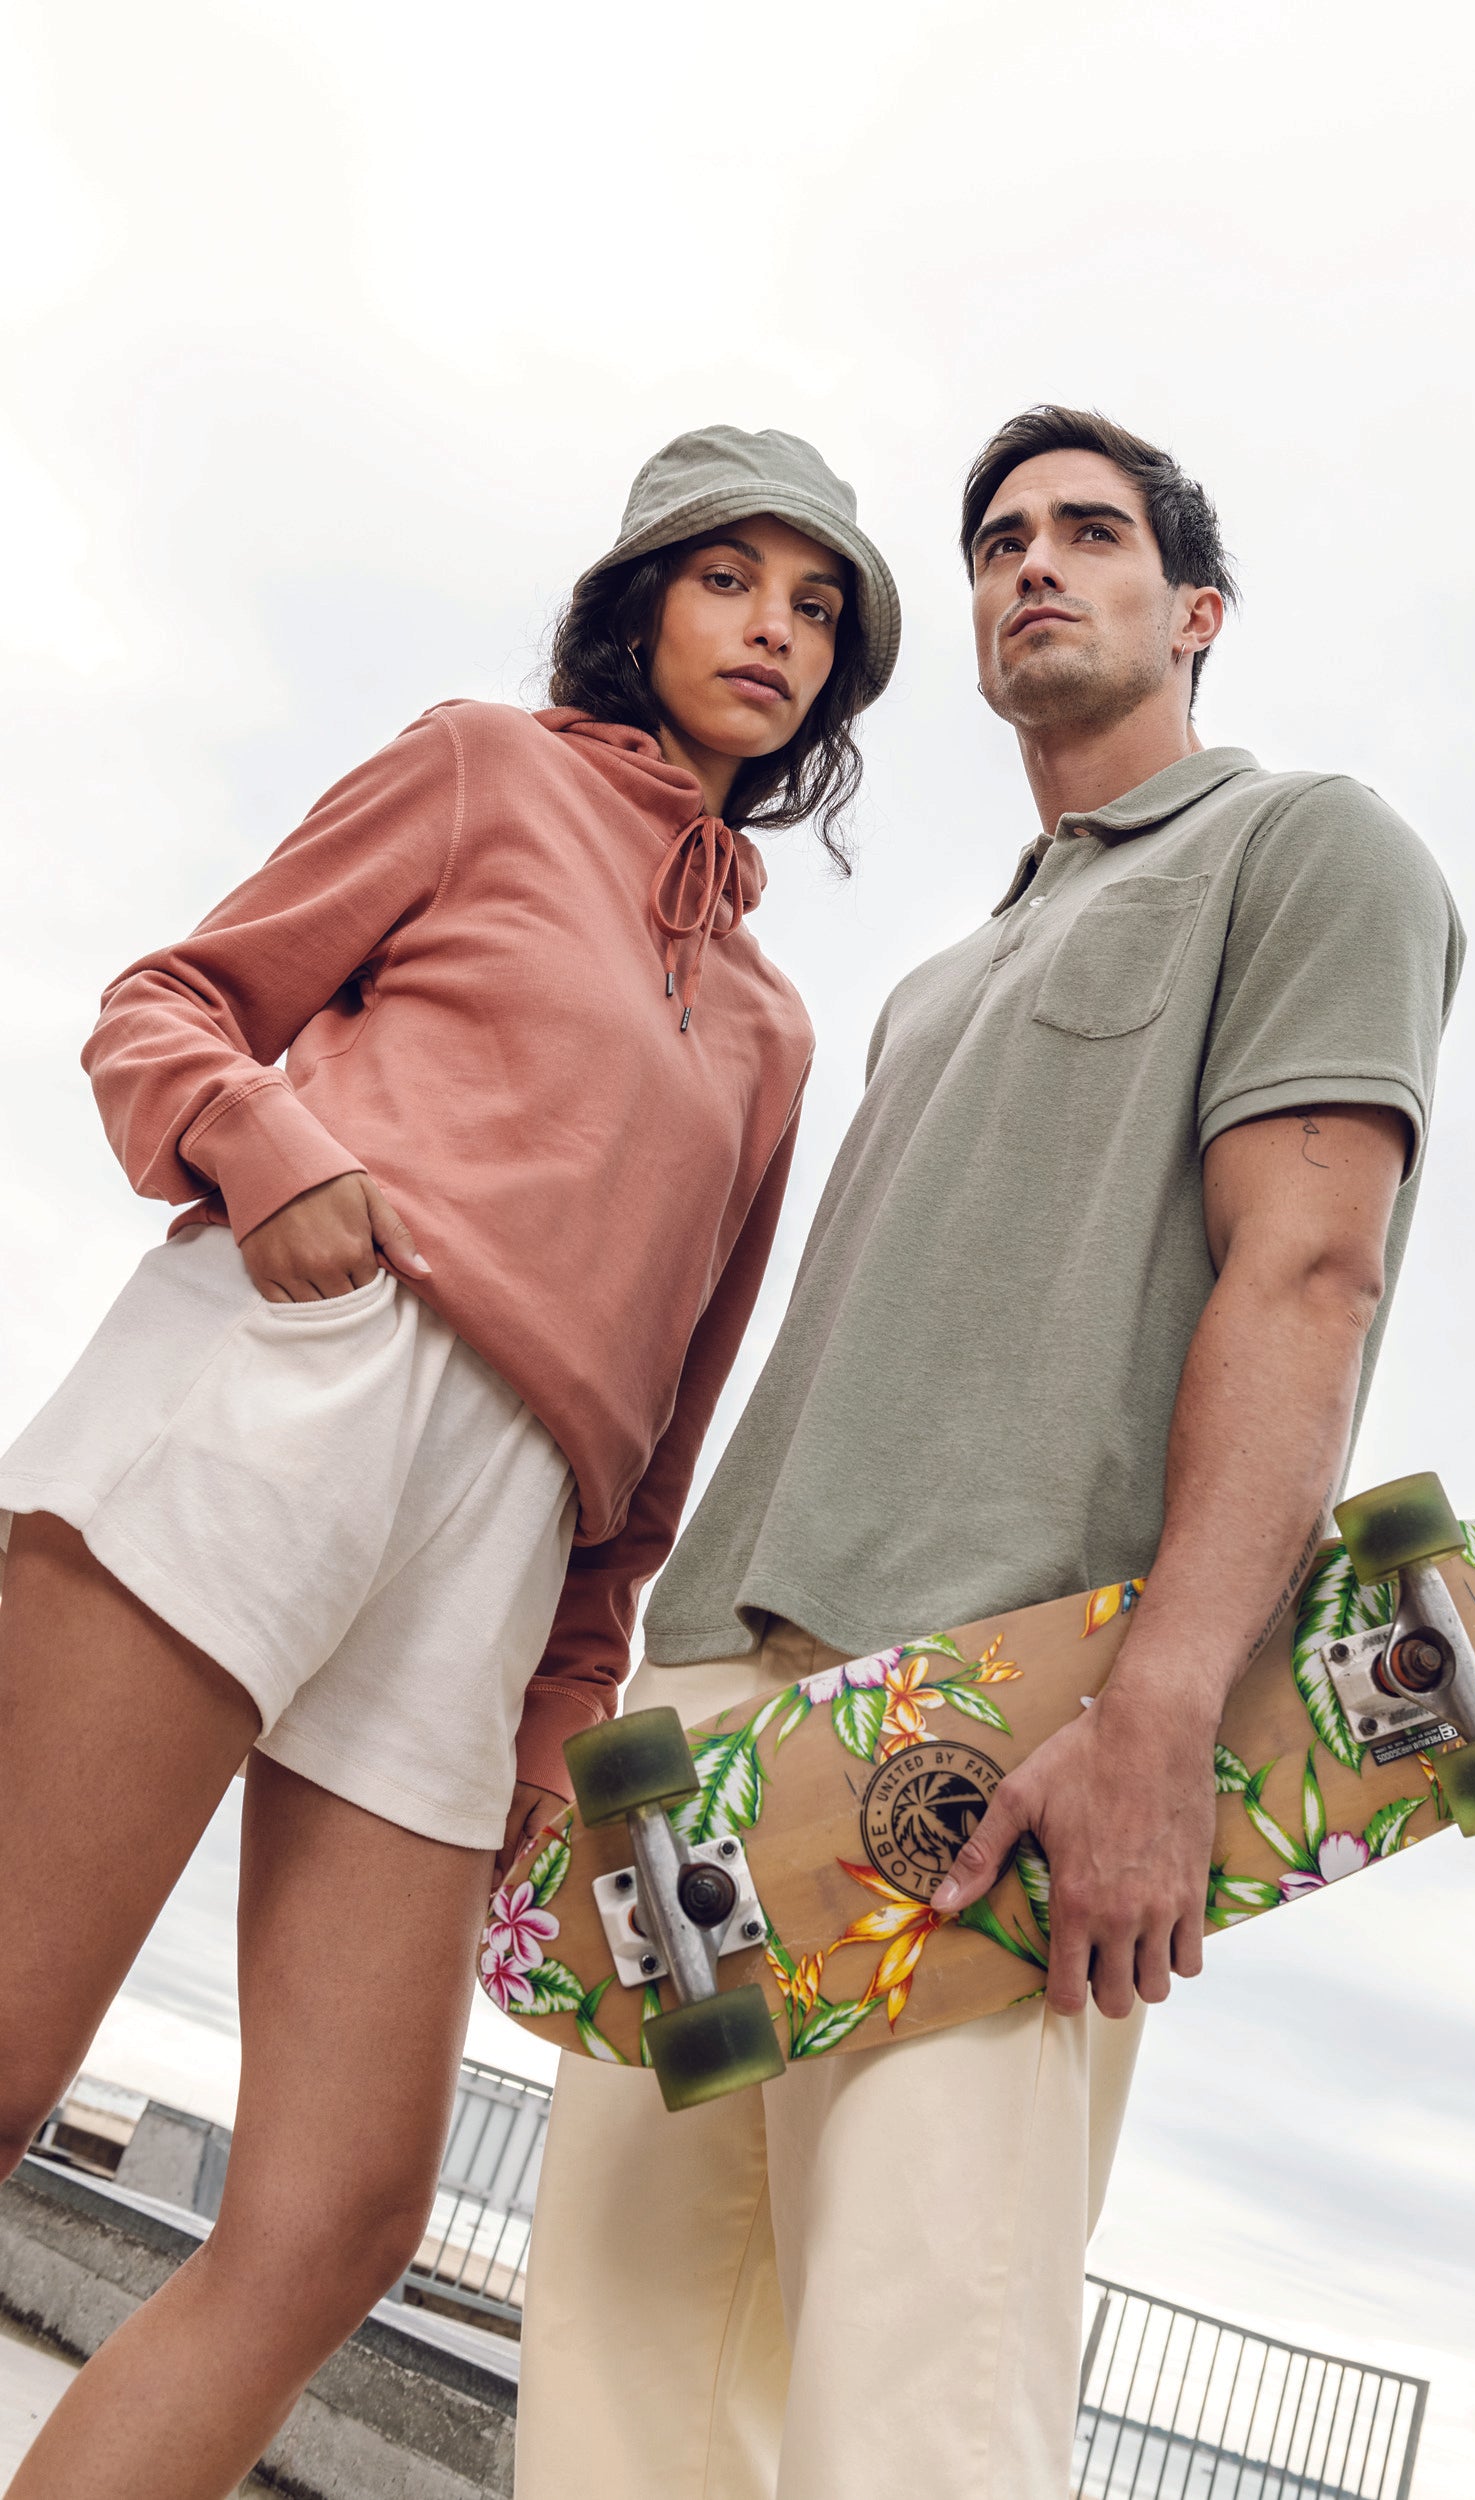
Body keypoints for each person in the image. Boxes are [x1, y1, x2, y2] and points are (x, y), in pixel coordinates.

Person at [516, 405, 1465, 2500]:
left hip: (1005, 1715)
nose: (1033, 561)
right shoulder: (931, 984)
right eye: (997, 540)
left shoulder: (1310, 846)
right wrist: (619, 1692)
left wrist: (1162, 1715)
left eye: (1091, 532)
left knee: (917, 2408)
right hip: (713, 1712)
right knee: (615, 2384)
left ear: (1195, 609)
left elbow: (1309, 1275)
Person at [0, 424, 899, 2500]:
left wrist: (568, 1698)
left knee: (340, 2212)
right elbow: (168, 1004)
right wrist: (265, 1143)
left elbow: (671, 1408)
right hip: (293, 1385)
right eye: (731, 577)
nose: (773, 628)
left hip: (495, 1557)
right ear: (640, 602)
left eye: (816, 605)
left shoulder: (771, 1031)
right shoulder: (484, 768)